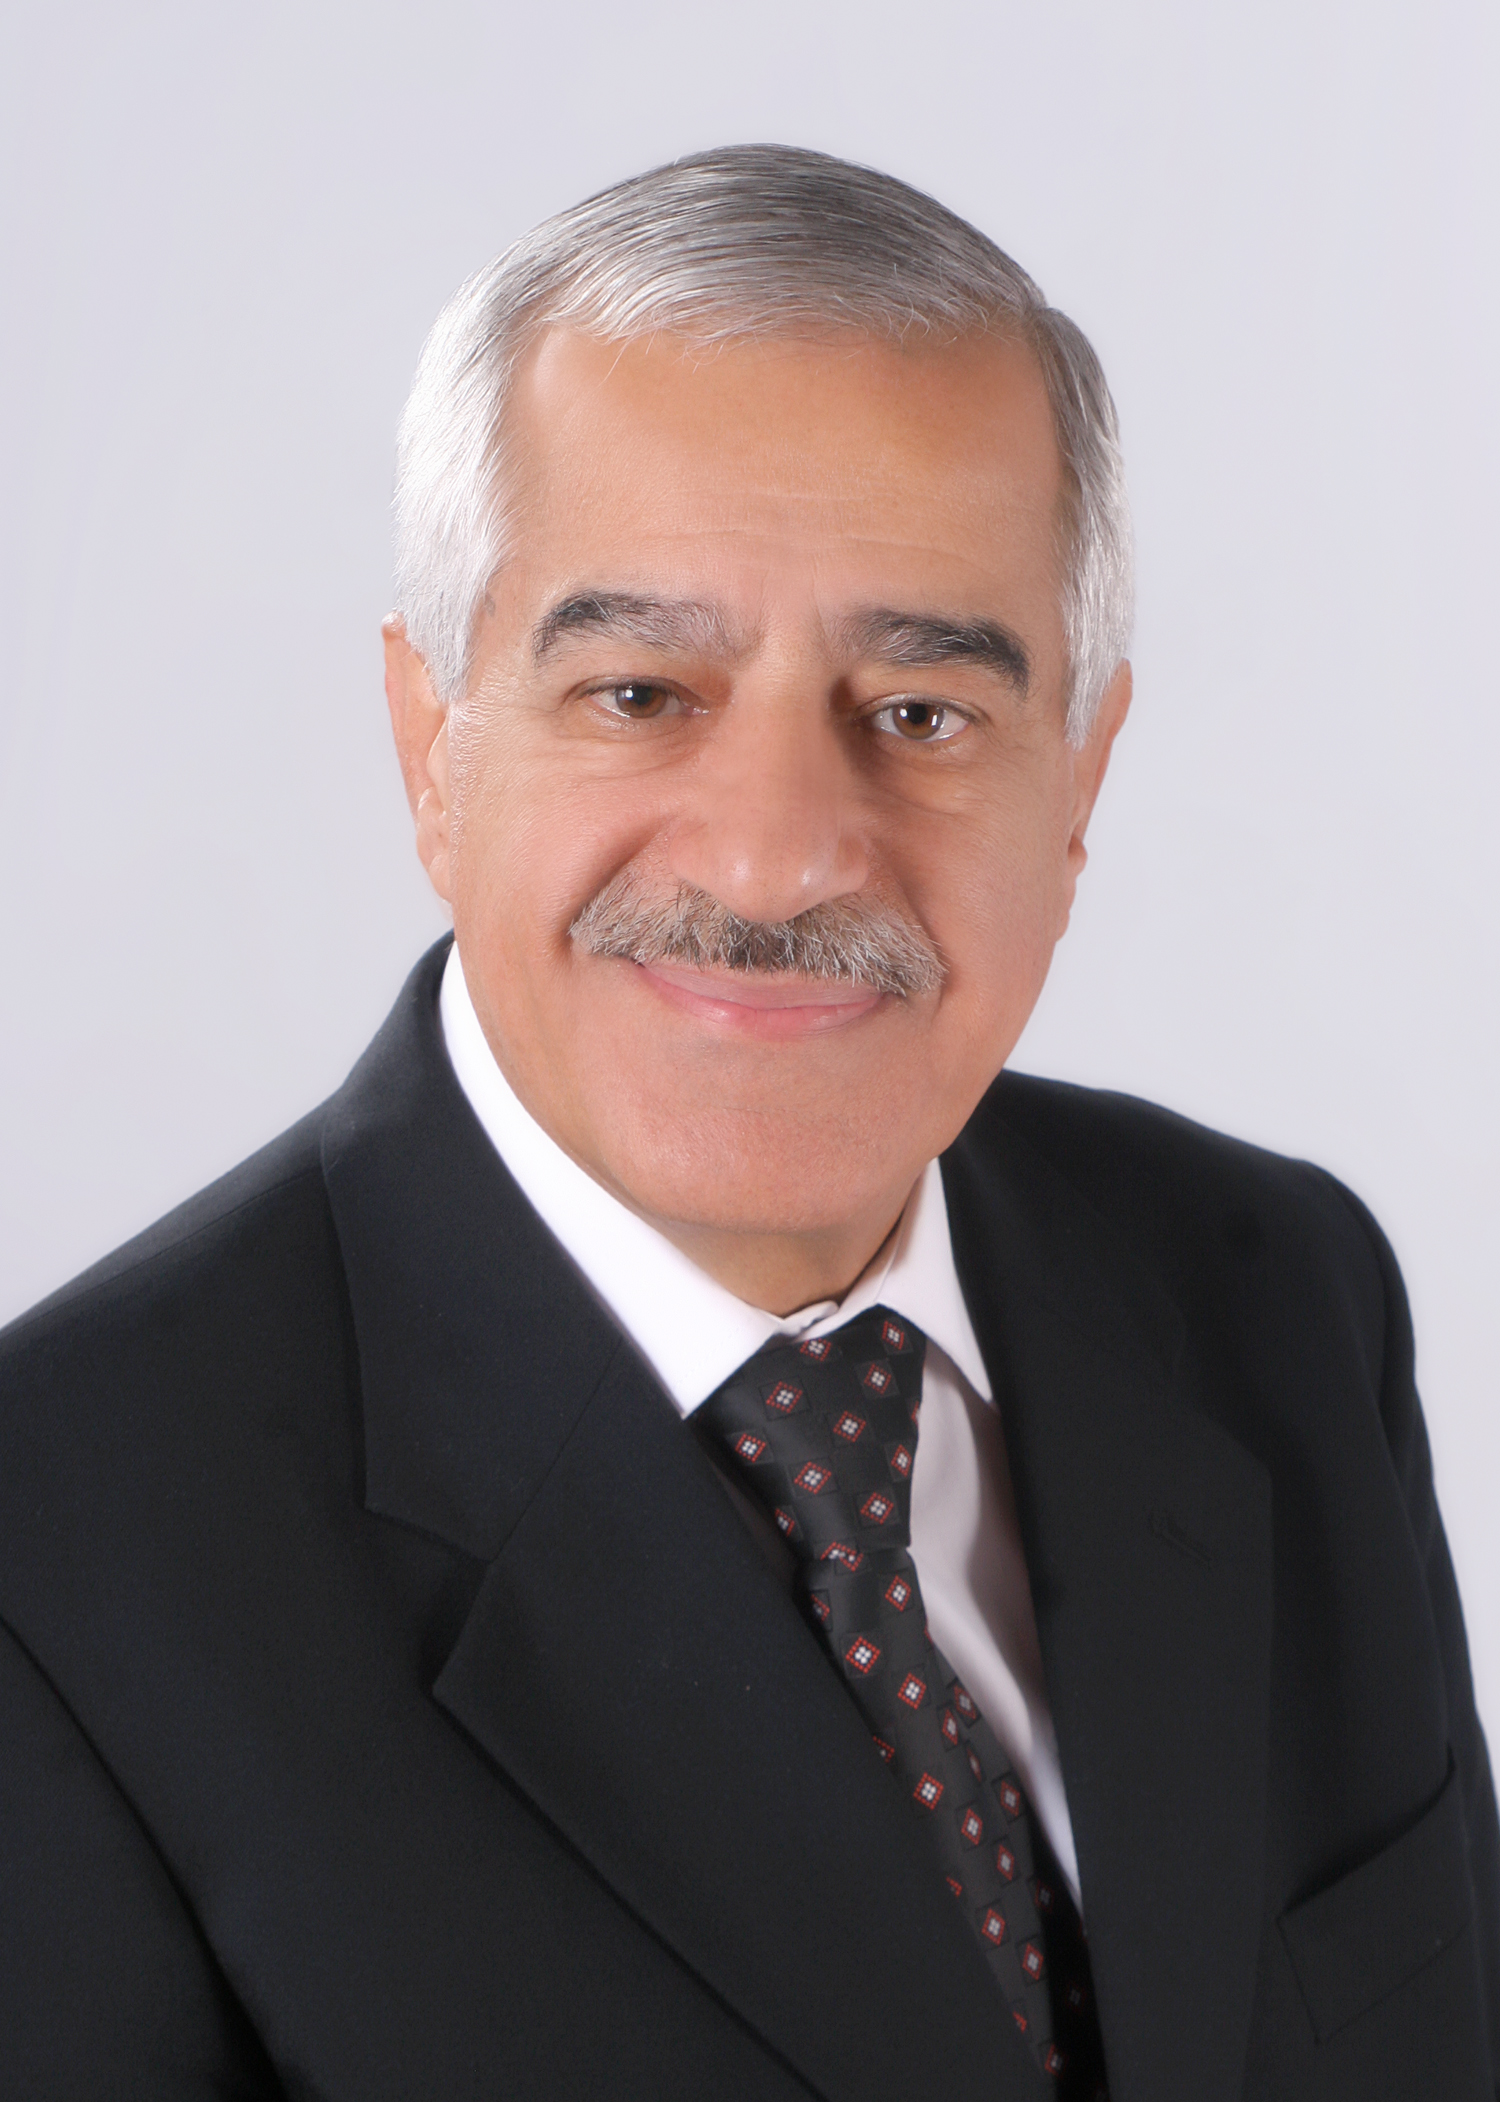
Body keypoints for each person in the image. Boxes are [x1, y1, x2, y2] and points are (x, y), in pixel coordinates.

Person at [0, 144, 1494, 2102]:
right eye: (641, 691)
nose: (782, 856)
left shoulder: (1280, 1294)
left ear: (1078, 779)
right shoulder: (58, 1566)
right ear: (432, 749)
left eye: (924, 711)